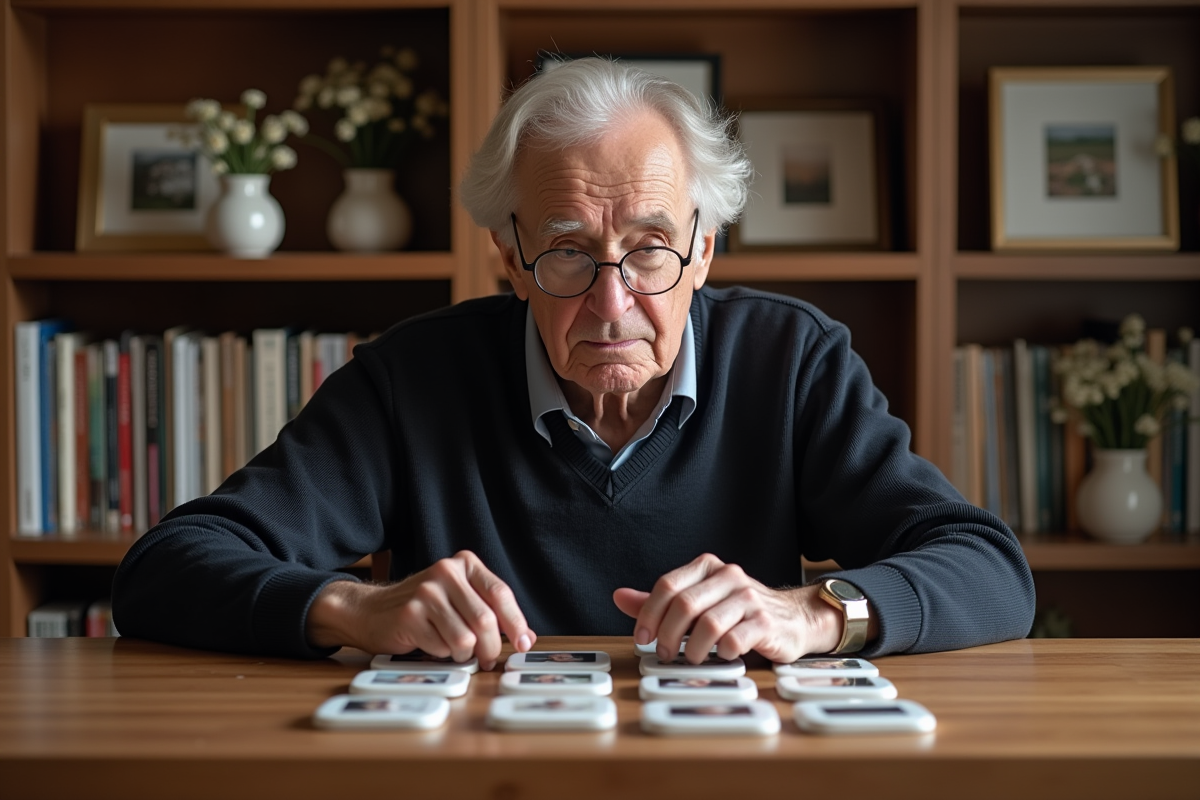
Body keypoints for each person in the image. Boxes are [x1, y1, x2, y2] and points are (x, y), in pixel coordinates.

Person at [112, 58, 1034, 671]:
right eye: (565, 252)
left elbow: (988, 570)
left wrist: (816, 614)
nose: (612, 301)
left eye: (650, 249)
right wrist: (352, 609)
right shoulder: (413, 375)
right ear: (508, 256)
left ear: (705, 253)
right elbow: (165, 568)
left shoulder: (790, 361)